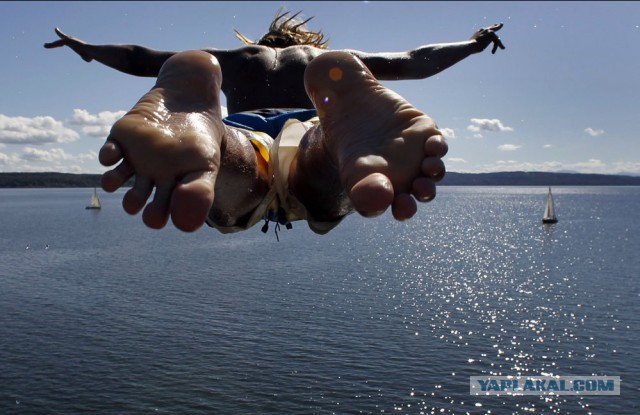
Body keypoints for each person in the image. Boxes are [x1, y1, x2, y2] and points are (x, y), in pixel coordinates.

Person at [44, 11, 505, 235]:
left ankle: (216, 147)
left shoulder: (239, 57)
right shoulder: (327, 60)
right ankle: (337, 152)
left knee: (234, 173)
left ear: (264, 42)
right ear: (306, 42)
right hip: (310, 125)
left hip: (244, 125)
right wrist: (469, 43)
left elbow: (141, 59)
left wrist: (88, 49)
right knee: (320, 176)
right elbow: (412, 62)